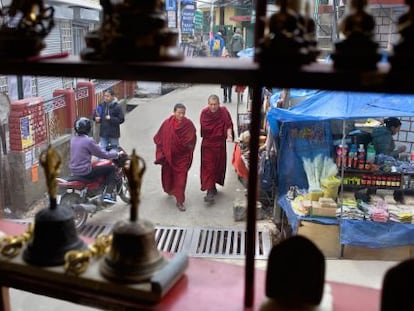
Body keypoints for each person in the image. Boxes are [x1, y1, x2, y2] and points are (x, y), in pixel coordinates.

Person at [153, 103, 196, 211]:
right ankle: (170, 190)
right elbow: (159, 138)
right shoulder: (167, 123)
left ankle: (180, 201)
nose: (181, 115)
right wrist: (162, 153)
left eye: (183, 113)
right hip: (168, 156)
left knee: (181, 180)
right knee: (168, 177)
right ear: (174, 112)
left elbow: (192, 138)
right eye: (179, 113)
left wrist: (188, 147)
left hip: (182, 158)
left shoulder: (188, 124)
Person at [69, 117, 121, 204]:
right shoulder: (88, 141)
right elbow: (103, 154)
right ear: (88, 128)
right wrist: (115, 154)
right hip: (85, 171)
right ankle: (108, 195)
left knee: (96, 165)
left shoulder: (73, 140)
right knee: (111, 168)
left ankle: (96, 191)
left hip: (74, 170)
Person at [200, 94, 234, 203]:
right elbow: (204, 127)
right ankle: (209, 192)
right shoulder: (204, 113)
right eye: (211, 104)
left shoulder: (223, 111)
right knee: (209, 167)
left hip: (220, 145)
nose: (213, 107)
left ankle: (213, 186)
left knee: (217, 166)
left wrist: (229, 134)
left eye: (215, 104)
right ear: (208, 104)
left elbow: (228, 124)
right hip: (208, 145)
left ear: (219, 104)